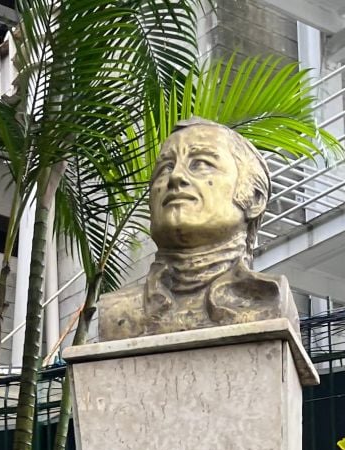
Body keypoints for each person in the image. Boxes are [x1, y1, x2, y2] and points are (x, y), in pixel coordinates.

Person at [96, 118, 298, 342]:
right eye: (166, 168)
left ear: (254, 198)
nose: (176, 177)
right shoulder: (116, 311)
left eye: (201, 164)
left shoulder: (269, 298)